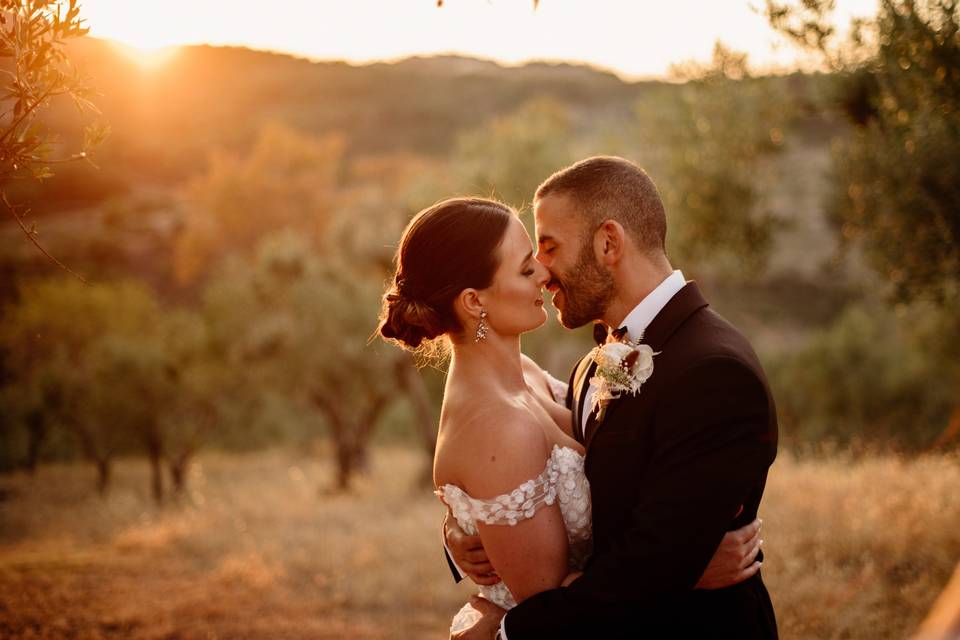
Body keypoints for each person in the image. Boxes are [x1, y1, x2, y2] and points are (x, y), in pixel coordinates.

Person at [377, 191, 769, 638]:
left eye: (541, 256)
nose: (544, 274)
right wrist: (682, 574)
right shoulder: (497, 427)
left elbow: (605, 457)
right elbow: (554, 608)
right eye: (526, 268)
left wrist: (463, 529)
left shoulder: (535, 374)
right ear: (473, 302)